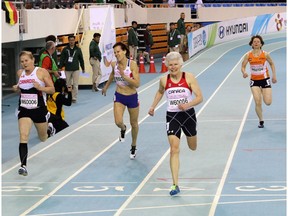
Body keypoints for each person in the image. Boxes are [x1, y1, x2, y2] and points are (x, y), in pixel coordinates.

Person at [148, 52, 203, 196]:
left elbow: (200, 97)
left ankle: (191, 136)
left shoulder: (189, 77)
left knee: (193, 147)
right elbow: (160, 93)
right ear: (167, 66)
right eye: (170, 65)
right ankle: (175, 185)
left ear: (181, 64)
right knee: (174, 149)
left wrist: (188, 104)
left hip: (188, 115)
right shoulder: (163, 80)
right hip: (172, 116)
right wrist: (153, 106)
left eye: (175, 64)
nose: (173, 67)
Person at [12, 51, 55, 176]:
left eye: (26, 60)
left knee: (43, 138)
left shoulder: (41, 72)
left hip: (39, 109)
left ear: (32, 60)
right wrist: (16, 88)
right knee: (23, 136)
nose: (24, 63)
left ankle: (48, 129)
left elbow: (52, 89)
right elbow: (21, 88)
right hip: (24, 108)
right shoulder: (20, 73)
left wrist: (40, 87)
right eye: (22, 61)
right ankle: (23, 166)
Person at [102, 42, 140, 159]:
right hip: (119, 96)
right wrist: (106, 86)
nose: (116, 54)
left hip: (132, 96)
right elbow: (112, 75)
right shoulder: (115, 65)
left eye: (118, 52)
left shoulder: (132, 65)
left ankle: (133, 145)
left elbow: (137, 84)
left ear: (124, 51)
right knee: (118, 122)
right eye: (114, 52)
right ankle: (123, 128)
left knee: (134, 124)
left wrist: (125, 77)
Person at [241, 35, 277, 128]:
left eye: (258, 41)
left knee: (268, 102)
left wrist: (274, 75)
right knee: (258, 102)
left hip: (265, 79)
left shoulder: (265, 54)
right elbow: (243, 66)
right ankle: (261, 120)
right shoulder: (248, 55)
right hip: (254, 81)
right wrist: (244, 72)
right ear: (252, 44)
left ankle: (262, 91)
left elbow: (272, 63)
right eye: (254, 42)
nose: (256, 43)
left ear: (261, 44)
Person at [58, 35, 85, 103]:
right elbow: (62, 59)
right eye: (70, 40)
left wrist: (83, 68)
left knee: (75, 84)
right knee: (68, 84)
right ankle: (69, 97)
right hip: (67, 69)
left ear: (74, 40)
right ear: (68, 41)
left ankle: (74, 98)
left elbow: (81, 59)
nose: (71, 41)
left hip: (76, 69)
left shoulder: (78, 49)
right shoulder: (65, 49)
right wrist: (60, 67)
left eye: (73, 40)